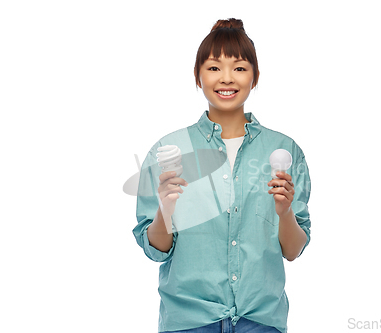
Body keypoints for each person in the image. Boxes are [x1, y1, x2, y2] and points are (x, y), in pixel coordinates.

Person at [133, 18, 311, 333]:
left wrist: (284, 213)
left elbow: (293, 250)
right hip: (188, 321)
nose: (226, 78)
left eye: (239, 68)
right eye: (214, 67)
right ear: (197, 76)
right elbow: (155, 251)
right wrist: (166, 209)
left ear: (255, 77)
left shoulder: (285, 149)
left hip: (261, 322)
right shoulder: (170, 149)